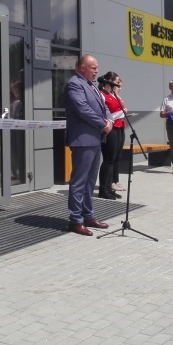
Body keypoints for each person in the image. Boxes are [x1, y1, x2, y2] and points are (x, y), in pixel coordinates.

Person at [65, 55, 112, 236]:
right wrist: (102, 124)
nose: (97, 71)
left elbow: (104, 106)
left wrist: (109, 120)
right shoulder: (74, 84)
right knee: (79, 181)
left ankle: (88, 215)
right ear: (83, 67)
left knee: (90, 181)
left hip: (95, 139)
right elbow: (83, 109)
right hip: (83, 140)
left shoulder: (91, 85)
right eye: (94, 68)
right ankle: (75, 220)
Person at [98, 72, 125, 200]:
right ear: (109, 81)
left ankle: (109, 188)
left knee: (113, 159)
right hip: (109, 129)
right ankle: (103, 189)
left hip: (118, 128)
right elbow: (104, 114)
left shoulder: (113, 95)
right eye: (116, 82)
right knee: (108, 159)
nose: (118, 85)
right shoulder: (102, 94)